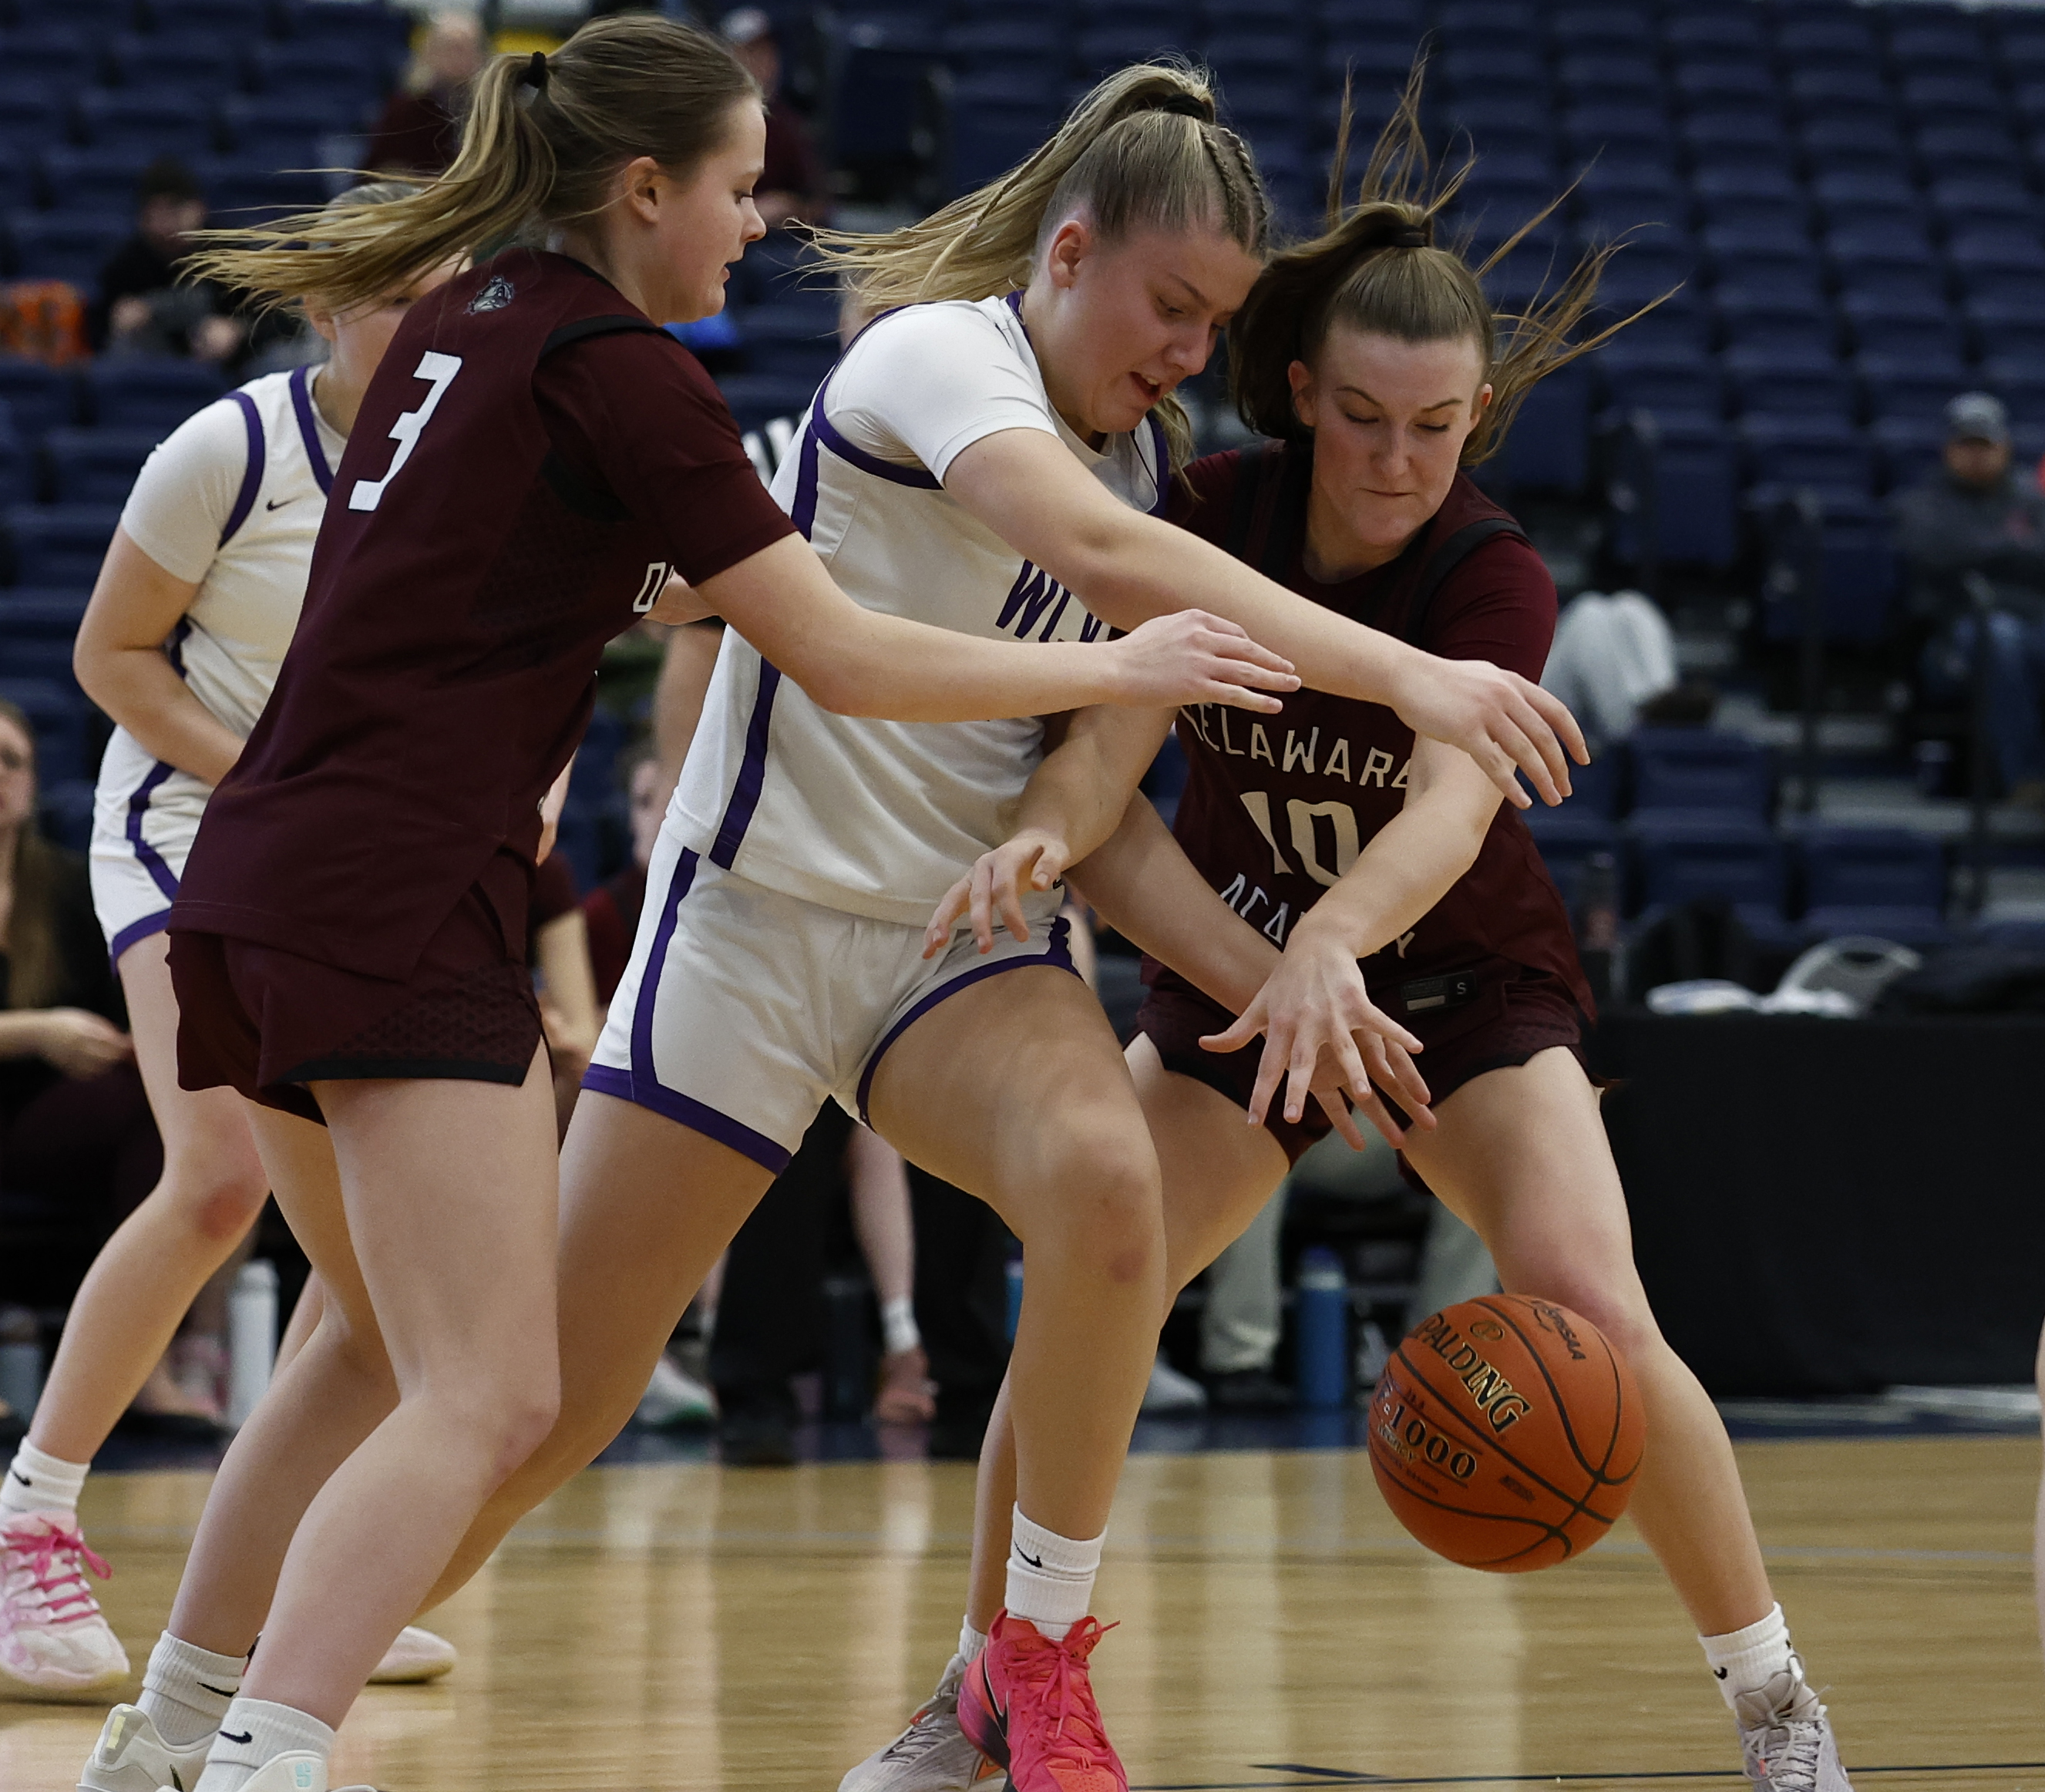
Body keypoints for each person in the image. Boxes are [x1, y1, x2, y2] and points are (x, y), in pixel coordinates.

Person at [72, 25, 1308, 1792]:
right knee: (494, 1399)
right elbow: (842, 650)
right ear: (644, 190)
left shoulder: (465, 316)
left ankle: (165, 1737)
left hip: (258, 865)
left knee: (371, 1349)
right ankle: (264, 1756)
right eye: (738, 185)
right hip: (423, 890)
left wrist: (665, 573)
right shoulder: (642, 374)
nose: (760, 218)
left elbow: (535, 553)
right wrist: (1152, 653)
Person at [398, 56, 1583, 1792]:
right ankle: (260, 1679)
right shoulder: (941, 352)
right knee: (549, 1405)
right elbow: (1098, 556)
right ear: (1071, 247)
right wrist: (1415, 672)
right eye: (1172, 305)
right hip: (753, 923)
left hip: (952, 942)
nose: (1190, 350)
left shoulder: (1151, 437)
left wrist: (1065, 834)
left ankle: (1022, 1666)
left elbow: (1115, 733)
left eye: (1218, 321)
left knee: (1108, 1192)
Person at [849, 80, 1853, 1792]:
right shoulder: (1214, 516)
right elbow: (1106, 746)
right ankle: (983, 1689)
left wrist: (1334, 944)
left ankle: (1775, 1707)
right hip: (1247, 982)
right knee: (1095, 1287)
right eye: (1368, 419)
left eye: (1438, 426)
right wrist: (1049, 831)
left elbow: (1454, 805)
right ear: (1306, 392)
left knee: (1598, 1311)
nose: (1399, 461)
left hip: (1459, 994)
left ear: (1477, 421)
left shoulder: (1490, 578)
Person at [3, 183, 469, 1716]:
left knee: (374, 1232)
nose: (434, 330)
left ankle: (280, 1567)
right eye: (404, 297)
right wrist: (258, 779)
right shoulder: (231, 447)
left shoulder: (469, 465)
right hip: (184, 826)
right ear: (332, 304)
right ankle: (31, 1515)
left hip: (347, 859)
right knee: (216, 1175)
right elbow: (105, 658)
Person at [1892, 391, 2045, 809]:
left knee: (2017, 638)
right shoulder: (1923, 504)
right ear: (1948, 449)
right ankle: (2028, 779)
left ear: (2006, 448)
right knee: (1999, 638)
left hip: (2033, 623)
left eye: (1986, 445)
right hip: (1951, 640)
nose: (1977, 455)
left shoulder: (2031, 503)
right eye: (1967, 445)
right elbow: (1936, 553)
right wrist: (2014, 551)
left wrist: (1988, 554)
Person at [92, 158, 245, 364]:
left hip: (231, 367)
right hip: (151, 364)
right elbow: (100, 326)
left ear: (198, 208)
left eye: (174, 210)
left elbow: (275, 321)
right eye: (155, 214)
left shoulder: (229, 253)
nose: (164, 224)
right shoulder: (129, 262)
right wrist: (119, 317)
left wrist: (238, 329)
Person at [720, 6, 829, 228]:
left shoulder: (789, 125)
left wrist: (786, 206)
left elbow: (820, 207)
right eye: (751, 52)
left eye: (769, 52)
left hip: (775, 244)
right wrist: (752, 209)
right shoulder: (707, 123)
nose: (762, 62)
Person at [364, 9, 489, 177]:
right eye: (450, 48)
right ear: (429, 52)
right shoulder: (406, 108)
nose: (457, 58)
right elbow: (386, 169)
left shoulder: (490, 108)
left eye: (466, 49)